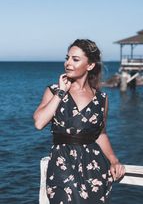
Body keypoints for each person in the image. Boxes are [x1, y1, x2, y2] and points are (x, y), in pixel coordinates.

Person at [33, 39, 125, 204]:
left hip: (95, 168)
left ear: (89, 66)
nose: (67, 63)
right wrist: (61, 92)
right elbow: (39, 123)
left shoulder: (101, 99)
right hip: (62, 164)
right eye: (67, 58)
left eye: (75, 59)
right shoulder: (54, 91)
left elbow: (101, 134)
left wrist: (114, 160)